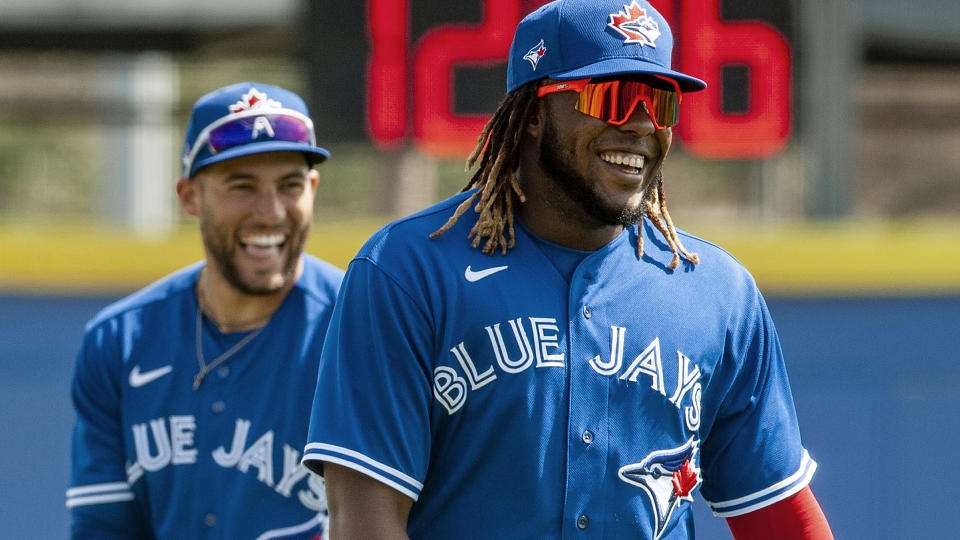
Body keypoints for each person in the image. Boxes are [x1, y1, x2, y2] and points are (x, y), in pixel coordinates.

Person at [302, 1, 833, 538]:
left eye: (660, 102)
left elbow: (780, 516)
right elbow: (363, 518)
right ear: (533, 113)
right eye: (615, 98)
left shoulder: (717, 293)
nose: (642, 125)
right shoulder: (409, 270)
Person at [67, 82, 343, 539]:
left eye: (289, 185)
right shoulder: (119, 340)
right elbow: (103, 525)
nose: (270, 212)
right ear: (190, 197)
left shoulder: (363, 327)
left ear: (312, 188)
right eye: (242, 186)